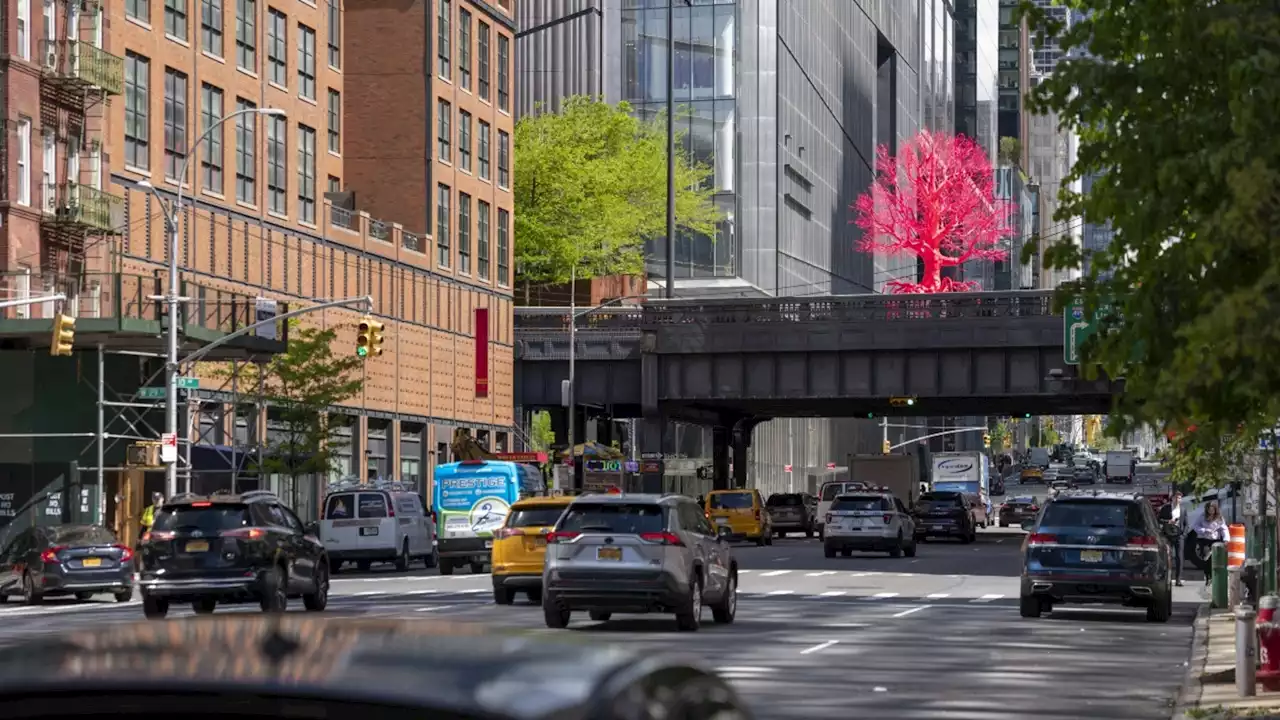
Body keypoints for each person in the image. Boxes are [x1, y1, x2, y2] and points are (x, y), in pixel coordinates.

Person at [1190, 502, 1230, 585]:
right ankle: (1207, 576)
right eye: (1209, 510)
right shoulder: (1202, 516)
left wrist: (1226, 539)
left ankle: (1212, 577)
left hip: (1215, 540)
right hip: (1204, 540)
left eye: (1212, 510)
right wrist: (1204, 530)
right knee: (1206, 558)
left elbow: (1224, 529)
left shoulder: (1219, 518)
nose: (1210, 511)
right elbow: (1195, 526)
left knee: (1213, 559)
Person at [1158, 491, 1186, 586]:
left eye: (1179, 498)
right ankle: (1165, 577)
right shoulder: (1166, 508)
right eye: (1176, 498)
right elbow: (1159, 519)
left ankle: (1178, 579)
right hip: (1168, 534)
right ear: (1172, 498)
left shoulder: (1183, 509)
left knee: (1179, 557)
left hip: (1179, 535)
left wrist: (1183, 534)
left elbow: (1186, 523)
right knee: (1166, 556)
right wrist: (1168, 521)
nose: (1178, 500)